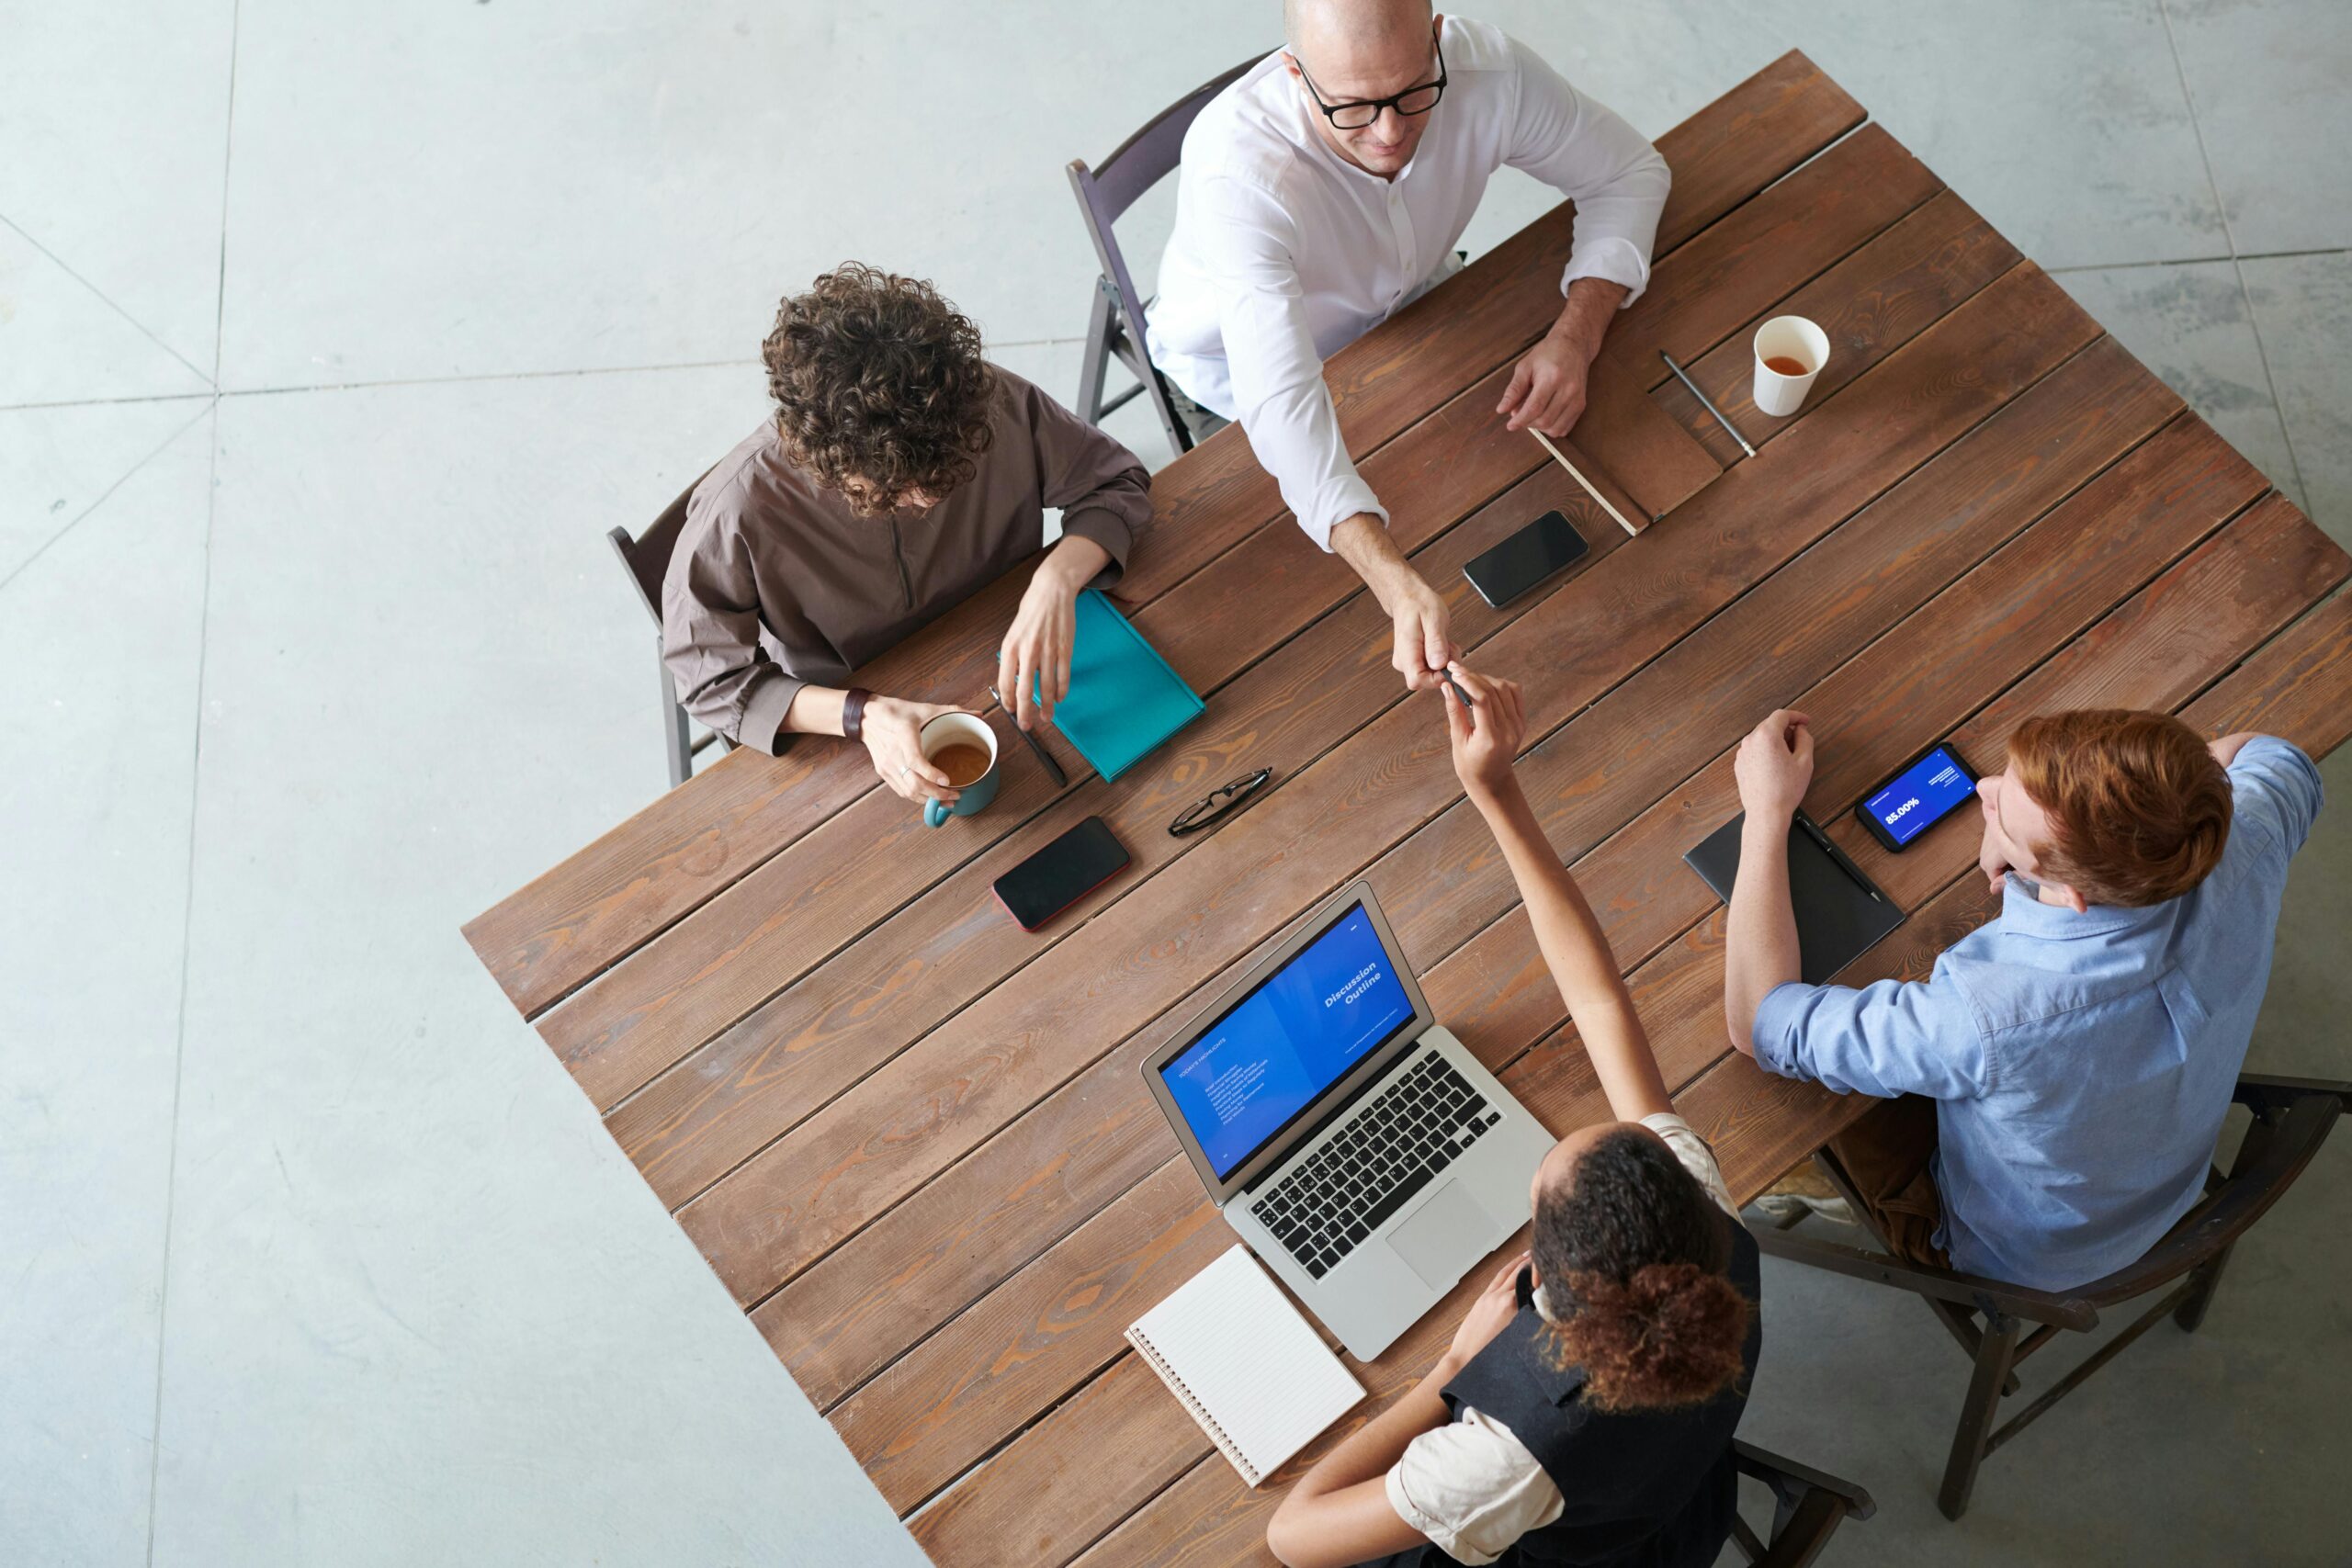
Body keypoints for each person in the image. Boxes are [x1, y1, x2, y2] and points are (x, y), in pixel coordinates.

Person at [1265, 665, 1758, 1568]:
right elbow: (1602, 1003)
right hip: (1677, 1500)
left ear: (1546, 1291)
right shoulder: (1713, 1235)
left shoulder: (1505, 1453)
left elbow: (1290, 1536)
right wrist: (1496, 793)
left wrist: (1448, 1371)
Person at [1148, 2, 1669, 698]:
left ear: (1437, 37)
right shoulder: (1239, 174)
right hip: (1231, 373)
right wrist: (1393, 581)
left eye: (1412, 92)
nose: (1391, 133)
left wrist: (1576, 335)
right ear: (1296, 74)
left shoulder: (1487, 70)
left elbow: (1630, 172)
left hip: (1417, 307)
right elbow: (1282, 400)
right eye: (1355, 108)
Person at [1724, 706, 2324, 1292]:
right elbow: (2272, 753)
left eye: (2000, 815)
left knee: (1792, 1104)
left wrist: (1767, 812)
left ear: (2069, 891)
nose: (1984, 788)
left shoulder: (1984, 1014)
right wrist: (2103, 827)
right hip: (2168, 1181)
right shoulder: (2245, 839)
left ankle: (1811, 1184)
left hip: (2016, 1258)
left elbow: (1758, 1021)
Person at [662, 264, 1153, 807]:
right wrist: (861, 715)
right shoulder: (737, 509)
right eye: (896, 486)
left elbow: (1114, 480)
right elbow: (707, 678)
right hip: (853, 742)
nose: (928, 500)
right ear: (825, 459)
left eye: (946, 469)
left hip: (1023, 669)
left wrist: (1057, 578)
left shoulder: (982, 401)